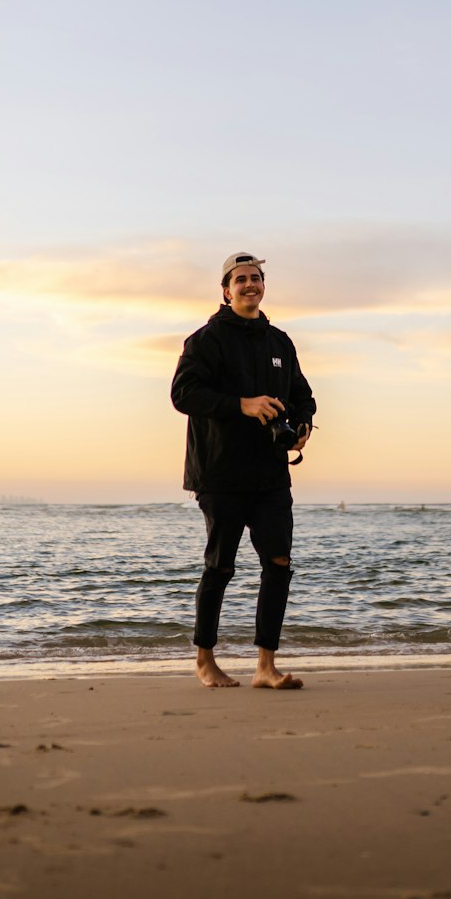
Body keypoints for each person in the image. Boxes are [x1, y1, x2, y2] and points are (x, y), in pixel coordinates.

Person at [171, 251, 316, 690]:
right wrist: (242, 405)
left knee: (279, 562)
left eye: (256, 278)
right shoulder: (206, 340)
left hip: (270, 474)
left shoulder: (279, 342)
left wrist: (303, 427)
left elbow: (303, 395)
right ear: (226, 290)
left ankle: (265, 666)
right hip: (219, 473)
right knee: (220, 566)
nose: (250, 285)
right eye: (241, 280)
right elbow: (183, 394)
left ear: (263, 286)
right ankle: (204, 662)